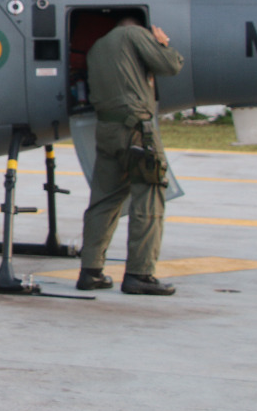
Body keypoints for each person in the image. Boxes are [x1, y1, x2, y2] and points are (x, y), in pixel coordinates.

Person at [78, 16, 184, 295]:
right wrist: (162, 44)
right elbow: (170, 66)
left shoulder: (97, 47)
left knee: (104, 200)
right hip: (137, 130)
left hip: (107, 130)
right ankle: (140, 274)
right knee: (149, 195)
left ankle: (90, 271)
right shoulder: (135, 35)